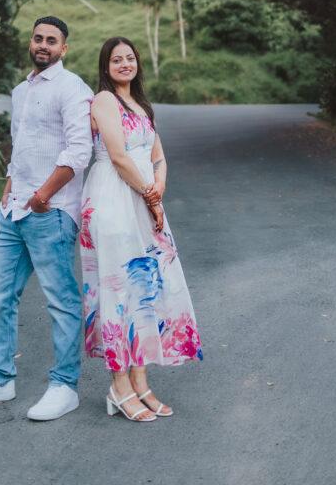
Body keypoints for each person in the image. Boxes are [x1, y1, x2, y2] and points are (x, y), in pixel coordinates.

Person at [0, 16, 93, 421]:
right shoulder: (20, 91)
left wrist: (43, 195)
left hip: (51, 212)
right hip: (13, 212)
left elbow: (78, 151)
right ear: (31, 43)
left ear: (64, 49)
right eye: (38, 38)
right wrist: (9, 187)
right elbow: (20, 146)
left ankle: (65, 387)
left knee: (61, 301)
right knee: (0, 295)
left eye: (52, 40)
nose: (44, 45)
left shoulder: (72, 88)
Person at [80, 36, 203, 423]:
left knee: (147, 290)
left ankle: (141, 381)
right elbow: (118, 156)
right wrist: (151, 196)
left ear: (138, 64)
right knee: (118, 290)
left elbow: (158, 154)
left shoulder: (141, 104)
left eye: (130, 58)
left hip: (144, 199)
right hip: (114, 200)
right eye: (116, 59)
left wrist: (159, 184)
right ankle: (118, 388)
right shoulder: (104, 101)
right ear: (106, 66)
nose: (124, 64)